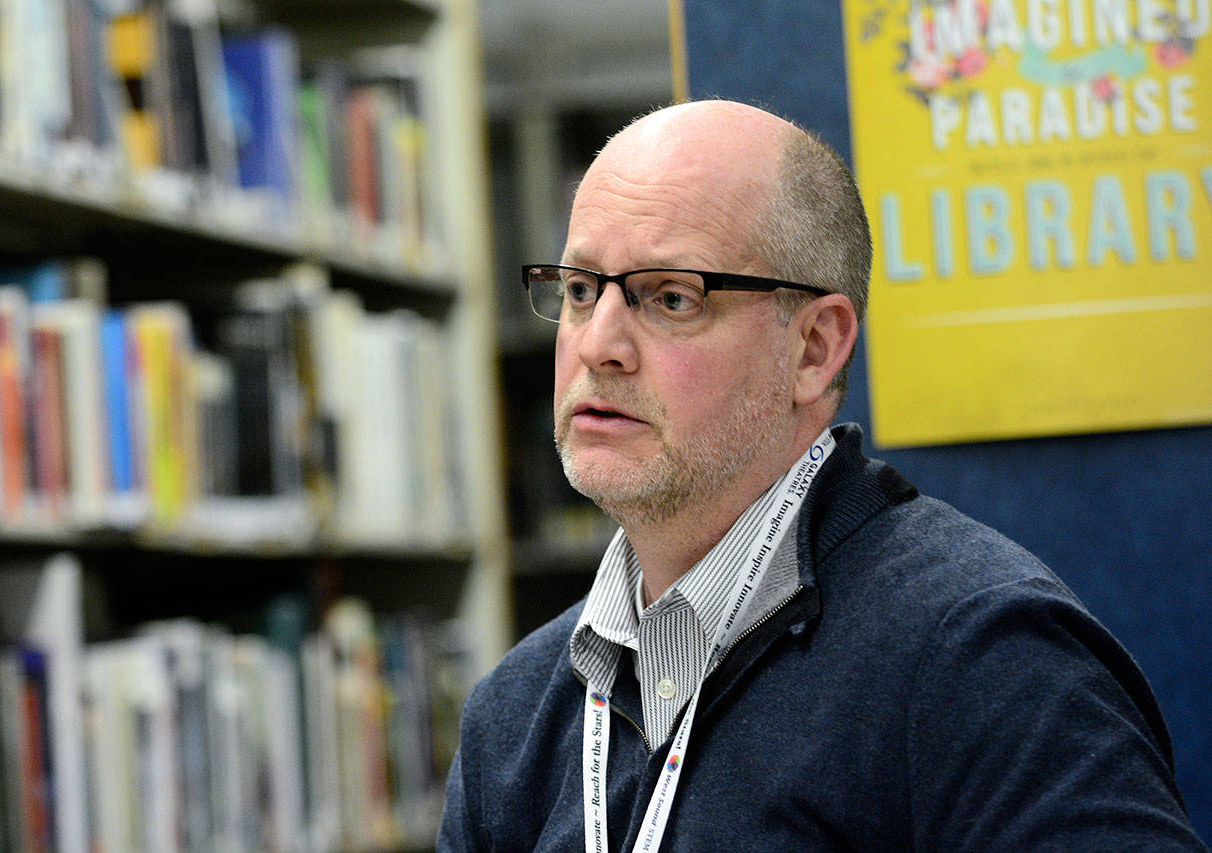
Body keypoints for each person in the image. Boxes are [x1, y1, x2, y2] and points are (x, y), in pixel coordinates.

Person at [438, 100, 1205, 851]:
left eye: (669, 298)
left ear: (813, 347)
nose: (599, 343)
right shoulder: (511, 714)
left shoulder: (982, 656)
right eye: (579, 289)